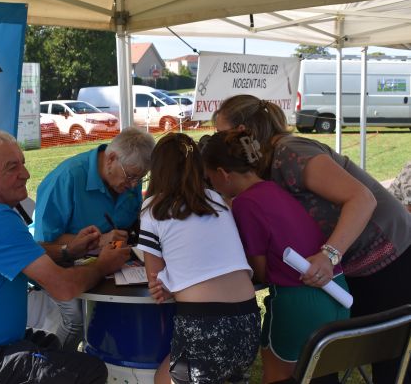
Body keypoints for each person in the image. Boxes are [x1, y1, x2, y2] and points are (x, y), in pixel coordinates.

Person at [213, 94, 411, 383]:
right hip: (348, 270)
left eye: (220, 133)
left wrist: (329, 255)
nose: (217, 142)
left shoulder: (291, 152)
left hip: (390, 258)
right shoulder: (262, 168)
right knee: (325, 358)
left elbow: (362, 199)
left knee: (390, 363)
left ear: (242, 131)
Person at [0, 129, 130, 384]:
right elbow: (64, 288)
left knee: (52, 345)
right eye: (12, 168)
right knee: (90, 370)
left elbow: (22, 256)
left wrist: (69, 250)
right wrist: (102, 265)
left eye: (23, 163)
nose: (26, 174)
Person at [202, 129, 350, 383]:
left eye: (209, 177)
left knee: (277, 375)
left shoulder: (244, 204)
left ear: (223, 174)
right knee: (320, 376)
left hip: (299, 301)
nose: (211, 184)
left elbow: (260, 271)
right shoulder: (274, 188)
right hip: (336, 292)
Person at [136, 132, 260, 384]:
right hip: (248, 321)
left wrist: (172, 282)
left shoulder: (152, 209)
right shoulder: (217, 200)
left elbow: (156, 282)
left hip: (203, 324)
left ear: (157, 170)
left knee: (162, 378)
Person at [32, 126, 155, 350]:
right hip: (61, 264)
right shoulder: (67, 178)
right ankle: (53, 365)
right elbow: (43, 245)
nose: (133, 185)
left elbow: (130, 224)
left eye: (140, 179)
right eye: (131, 177)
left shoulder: (129, 178)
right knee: (76, 319)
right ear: (111, 159)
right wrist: (99, 241)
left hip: (110, 266)